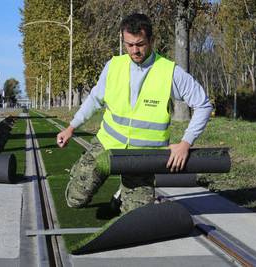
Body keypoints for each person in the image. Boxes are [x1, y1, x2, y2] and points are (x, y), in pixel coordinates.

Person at [56, 13, 213, 214]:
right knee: (74, 201)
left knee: (138, 216)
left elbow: (203, 105)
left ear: (151, 40)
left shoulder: (170, 72)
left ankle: (122, 195)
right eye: (129, 45)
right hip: (106, 146)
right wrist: (71, 127)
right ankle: (83, 172)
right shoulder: (113, 66)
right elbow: (94, 99)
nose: (134, 51)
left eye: (139, 44)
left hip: (142, 157)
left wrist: (185, 143)